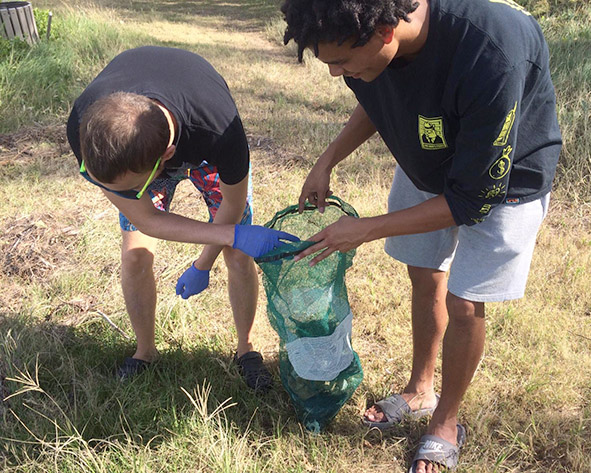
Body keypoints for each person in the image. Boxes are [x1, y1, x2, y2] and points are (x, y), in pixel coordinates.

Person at [281, 0, 561, 470]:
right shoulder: (358, 38)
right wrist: (326, 160)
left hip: (506, 177)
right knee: (424, 273)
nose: (335, 74)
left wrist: (365, 229)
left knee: (466, 301)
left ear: (386, 33)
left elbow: (471, 199)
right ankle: (420, 390)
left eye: (341, 62)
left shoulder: (490, 51)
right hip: (427, 161)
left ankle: (446, 421)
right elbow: (376, 97)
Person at [67, 46, 298, 389]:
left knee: (238, 253)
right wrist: (124, 188)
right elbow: (146, 220)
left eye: (133, 188)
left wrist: (204, 263)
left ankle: (246, 348)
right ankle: (144, 351)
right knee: (134, 256)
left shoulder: (221, 131)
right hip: (141, 153)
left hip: (202, 151)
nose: (125, 194)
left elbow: (230, 209)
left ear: (167, 158)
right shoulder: (86, 130)